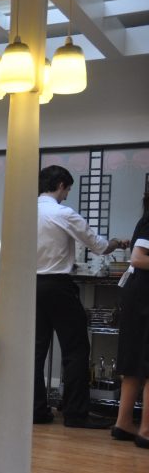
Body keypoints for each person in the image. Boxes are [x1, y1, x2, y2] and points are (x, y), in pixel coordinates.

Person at [34, 164, 127, 429]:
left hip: (31, 285)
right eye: (67, 190)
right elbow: (98, 246)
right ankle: (75, 414)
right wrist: (116, 243)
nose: (67, 195)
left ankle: (36, 410)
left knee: (37, 349)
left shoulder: (25, 212)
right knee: (76, 349)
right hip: (58, 286)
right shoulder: (63, 213)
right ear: (61, 185)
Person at [111, 192, 149, 449]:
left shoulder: (144, 219)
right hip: (144, 295)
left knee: (135, 360)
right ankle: (146, 430)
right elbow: (138, 257)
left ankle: (123, 423)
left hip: (137, 295)